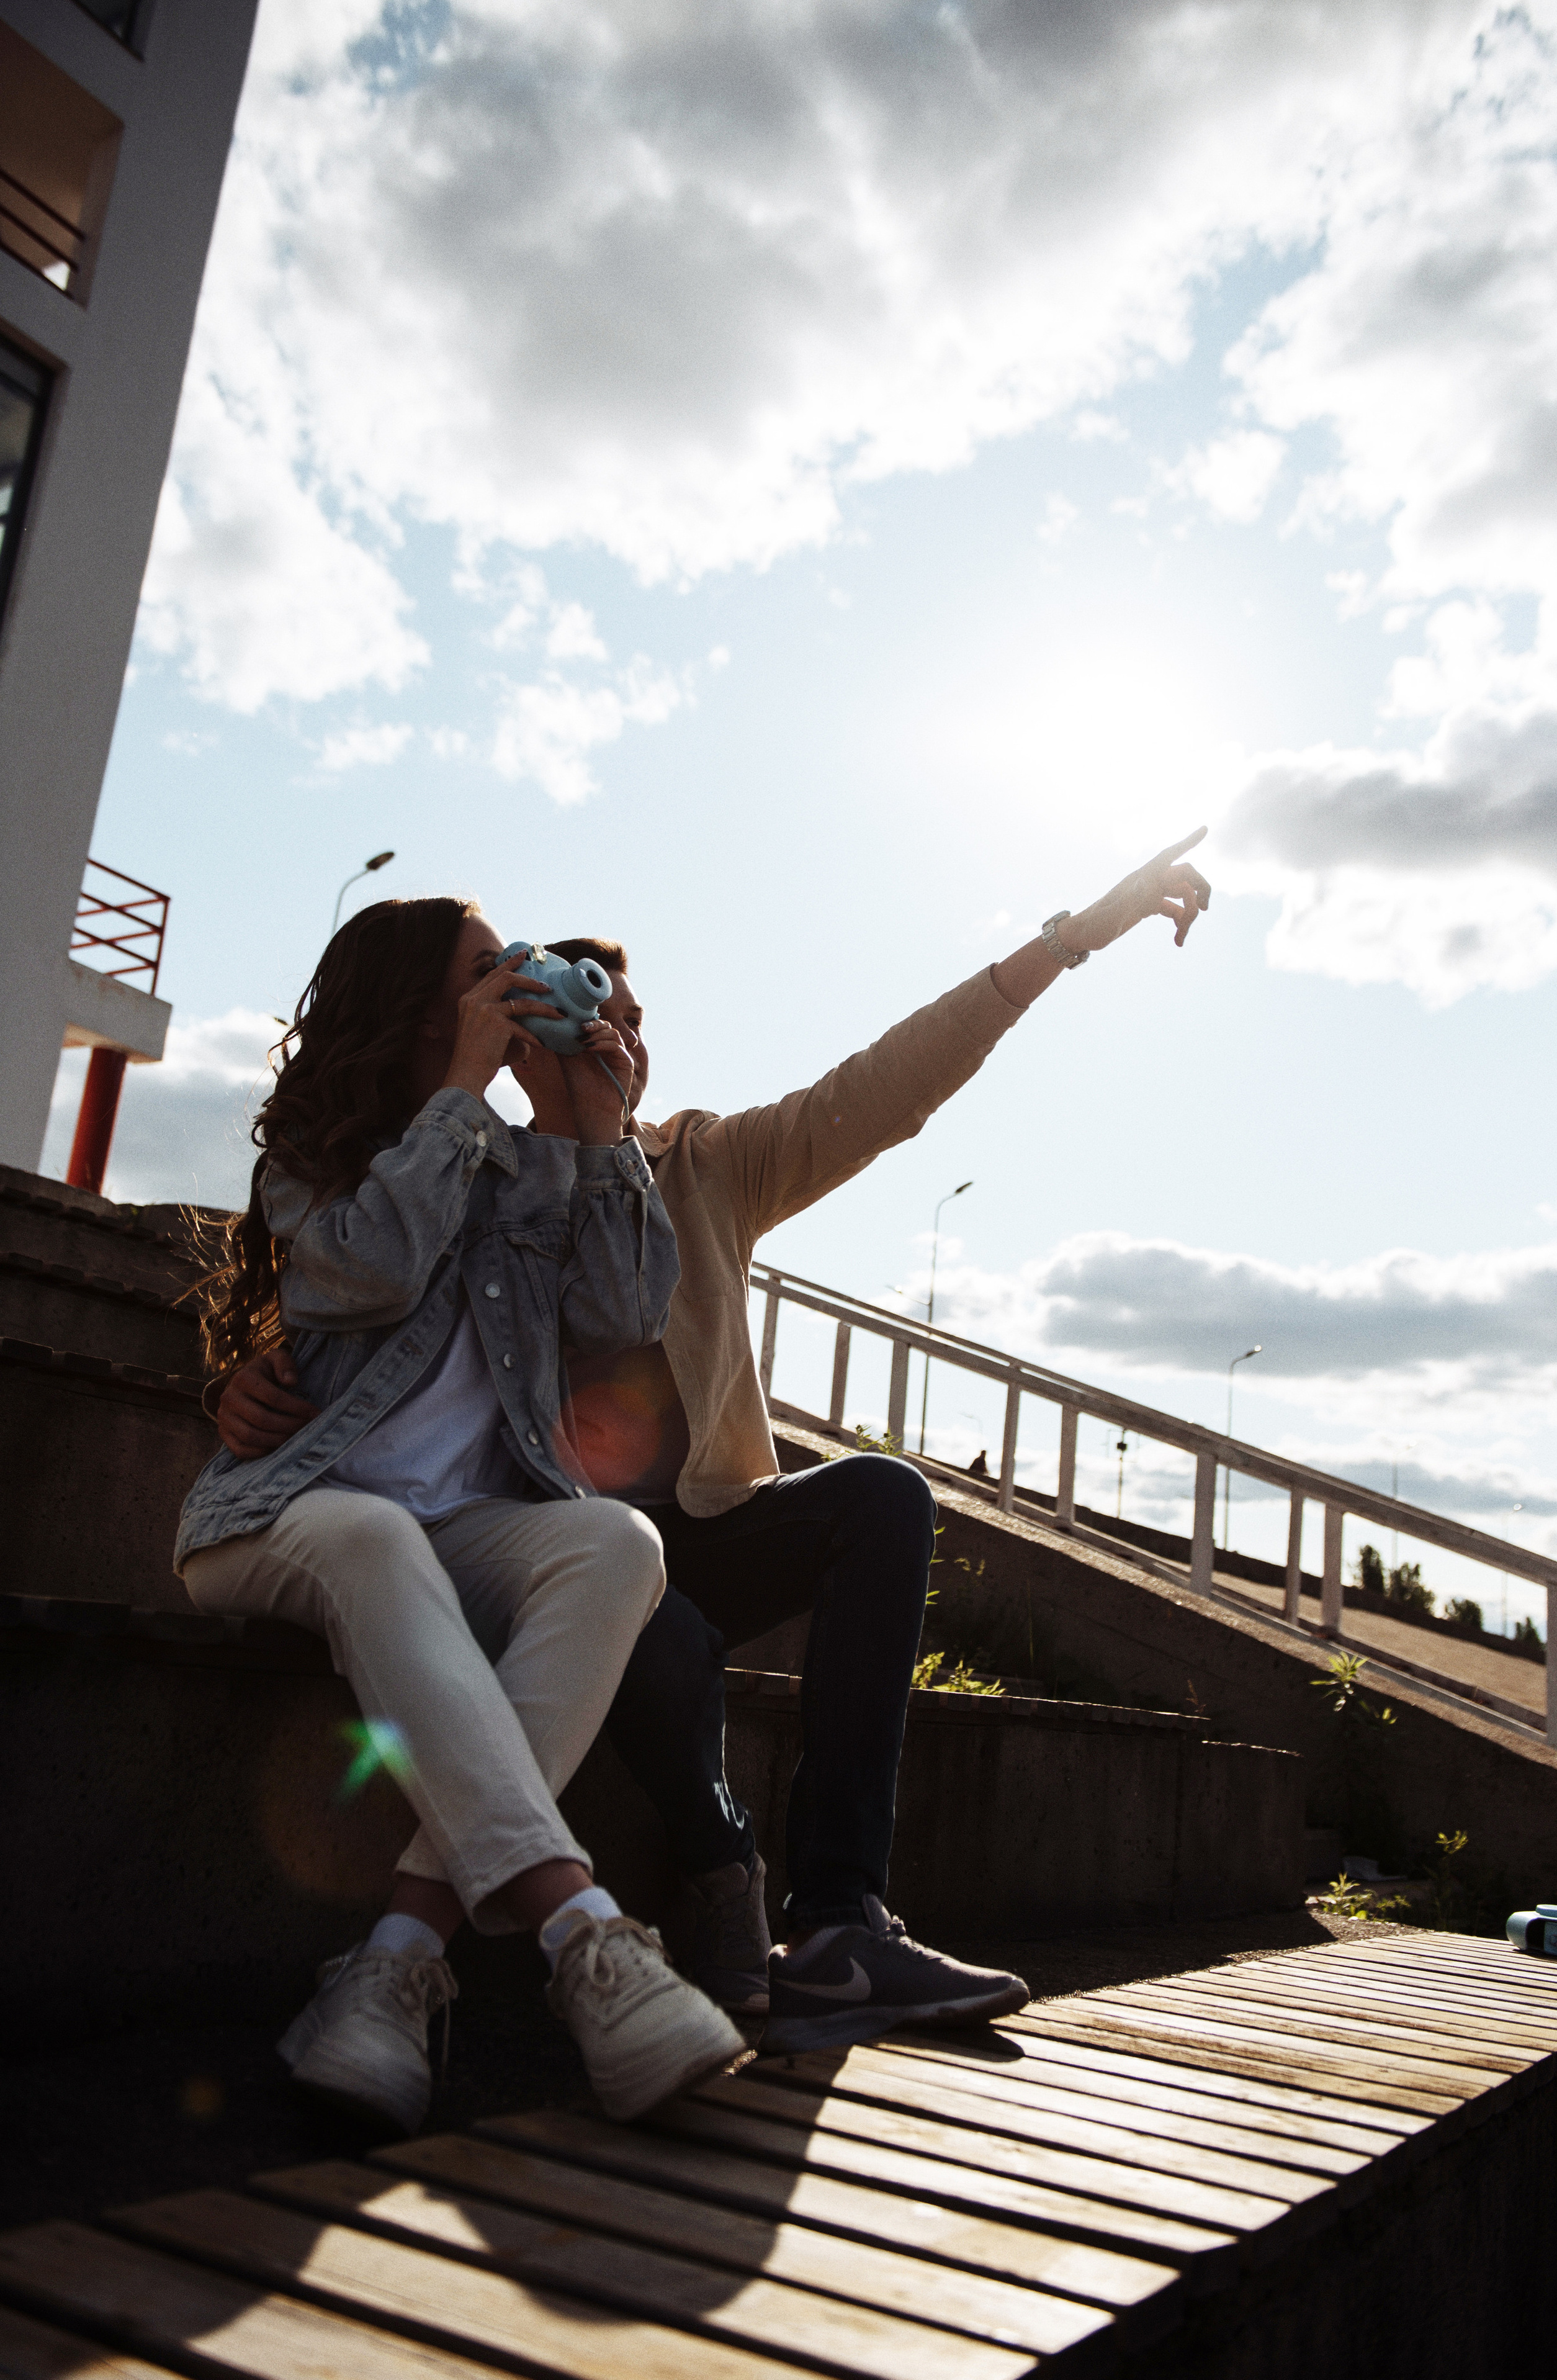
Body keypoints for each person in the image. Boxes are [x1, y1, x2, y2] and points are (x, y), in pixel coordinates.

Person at [217, 832, 1212, 2057]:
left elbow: (885, 1087)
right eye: (583, 1007)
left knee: (878, 1500)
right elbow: (344, 1301)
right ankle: (718, 1888)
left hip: (684, 1530)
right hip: (545, 1533)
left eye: (630, 1015)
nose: (617, 1032)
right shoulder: (478, 1157)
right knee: (645, 1602)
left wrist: (1071, 937)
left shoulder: (700, 1166)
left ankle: (840, 1915)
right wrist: (232, 1379)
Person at [179, 896, 742, 2131]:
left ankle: (392, 1963)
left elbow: (624, 1318)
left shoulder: (516, 1156)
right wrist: (461, 1094)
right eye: (487, 969)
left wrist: (593, 1128)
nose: (518, 980)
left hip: (459, 1535)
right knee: (371, 1533)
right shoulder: (323, 1153)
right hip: (286, 1511)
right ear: (421, 1008)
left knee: (615, 1541)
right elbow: (363, 1271)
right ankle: (586, 1938)